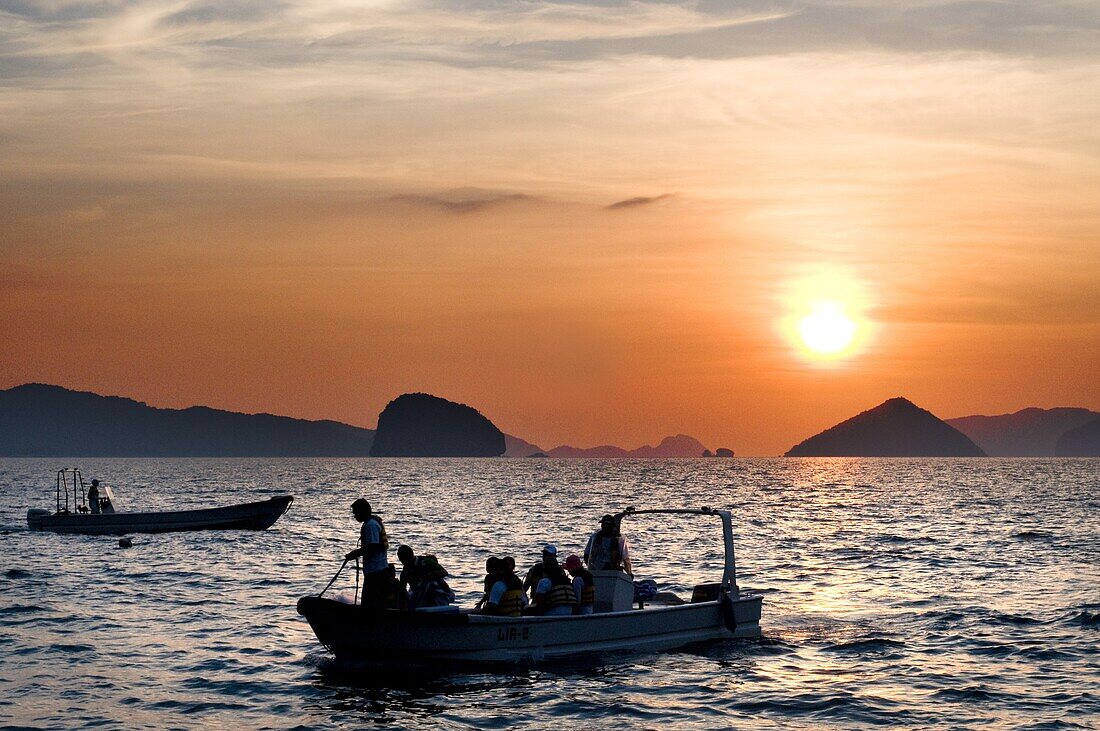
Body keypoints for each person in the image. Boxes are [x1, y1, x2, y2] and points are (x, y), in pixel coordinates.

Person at [344, 499, 390, 608]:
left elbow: (372, 547)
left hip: (376, 570)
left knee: (372, 603)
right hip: (375, 570)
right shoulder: (370, 523)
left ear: (363, 511)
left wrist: (354, 554)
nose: (354, 515)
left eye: (356, 512)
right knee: (372, 602)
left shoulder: (371, 525)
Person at [532, 545, 577, 616]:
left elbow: (539, 604)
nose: (545, 556)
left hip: (553, 613)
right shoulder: (566, 580)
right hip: (569, 613)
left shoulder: (544, 581)